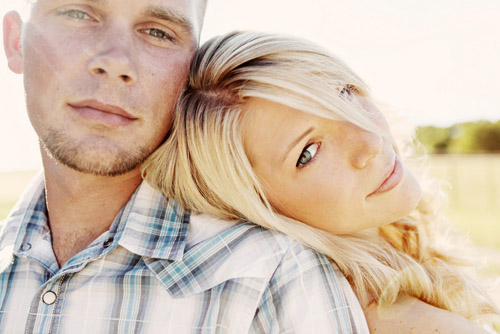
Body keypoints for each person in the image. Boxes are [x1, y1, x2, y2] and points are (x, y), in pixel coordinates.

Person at [0, 1, 370, 333]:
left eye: (158, 32)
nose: (115, 62)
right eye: (78, 14)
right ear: (16, 41)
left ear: (189, 72)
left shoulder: (277, 278)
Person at [142, 31, 500, 333]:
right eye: (309, 152)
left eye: (342, 93)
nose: (370, 142)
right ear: (257, 206)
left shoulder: (395, 267)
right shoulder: (399, 319)